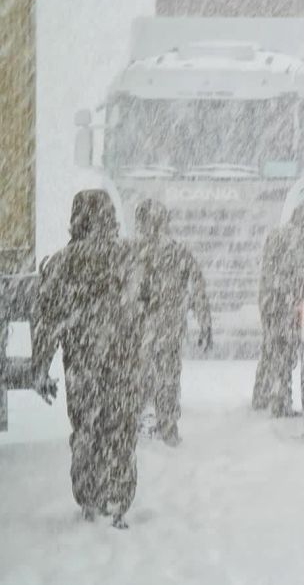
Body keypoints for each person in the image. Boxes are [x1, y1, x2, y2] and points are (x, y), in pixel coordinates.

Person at [32, 190, 144, 528]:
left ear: (76, 220)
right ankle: (119, 499)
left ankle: (89, 499)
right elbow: (146, 306)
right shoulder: (129, 256)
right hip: (124, 363)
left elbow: (47, 319)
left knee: (86, 428)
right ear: (111, 218)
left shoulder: (64, 262)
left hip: (82, 363)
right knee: (121, 430)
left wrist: (40, 366)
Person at [134, 199, 212, 446]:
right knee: (167, 378)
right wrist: (205, 323)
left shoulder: (131, 252)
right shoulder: (179, 253)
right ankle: (167, 428)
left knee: (141, 378)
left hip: (140, 330)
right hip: (169, 328)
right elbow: (197, 289)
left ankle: (140, 426)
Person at [252, 199, 304, 416]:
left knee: (270, 348)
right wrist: (296, 301)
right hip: (282, 303)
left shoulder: (277, 234)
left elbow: (271, 270)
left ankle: (261, 395)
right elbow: (297, 275)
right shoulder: (296, 241)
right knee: (284, 352)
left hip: (269, 300)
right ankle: (280, 402)